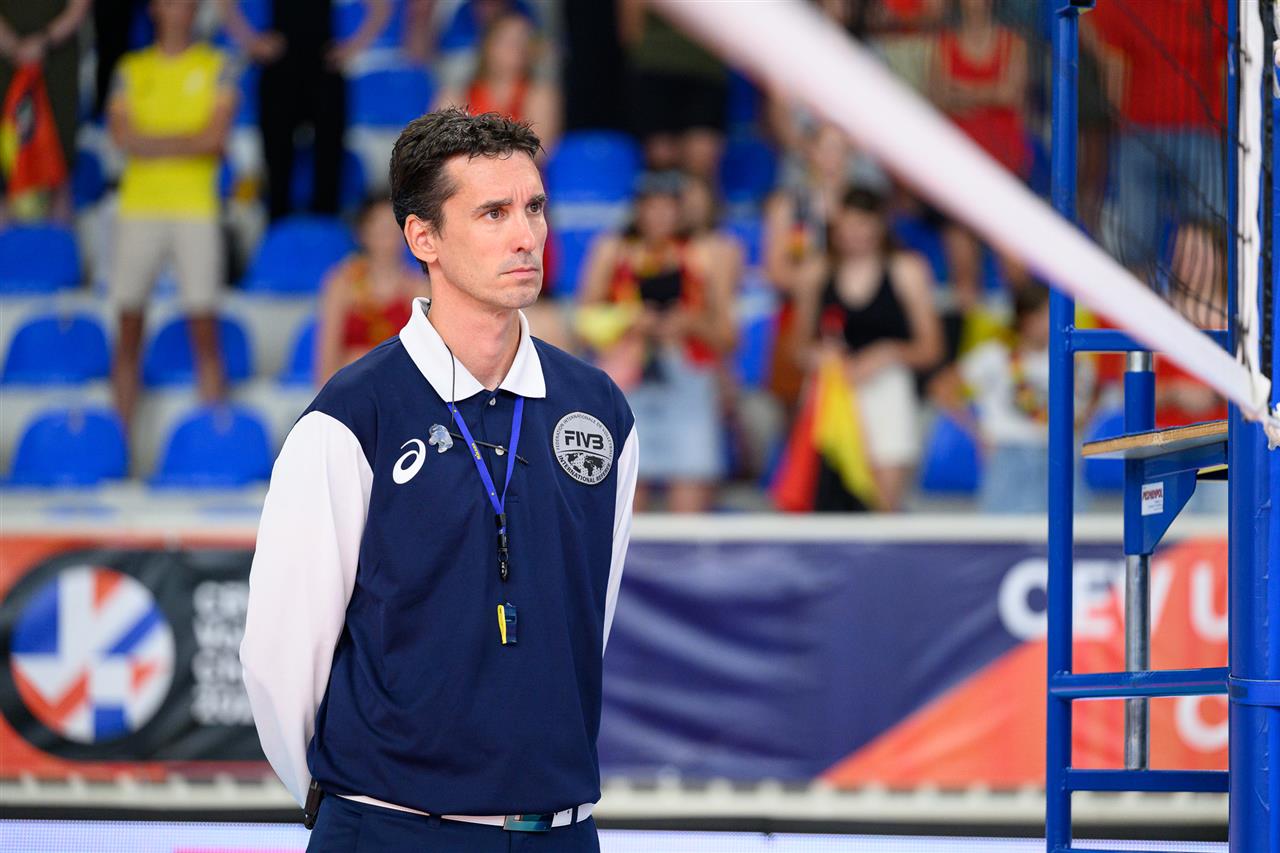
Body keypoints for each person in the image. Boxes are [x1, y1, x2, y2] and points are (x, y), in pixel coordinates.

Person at [241, 108, 637, 853]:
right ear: (423, 238)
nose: (526, 235)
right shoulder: (352, 415)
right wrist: (356, 800)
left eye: (534, 208)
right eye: (493, 213)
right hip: (389, 826)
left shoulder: (600, 411)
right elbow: (281, 656)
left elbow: (591, 615)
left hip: (559, 830)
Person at [106, 0, 238, 436]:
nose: (178, 8)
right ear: (154, 9)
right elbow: (121, 137)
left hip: (195, 209)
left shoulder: (217, 64)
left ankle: (214, 444)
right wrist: (187, 141)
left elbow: (214, 138)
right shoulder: (131, 68)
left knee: (205, 330)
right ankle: (117, 447)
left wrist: (151, 143)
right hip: (138, 209)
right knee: (128, 330)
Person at [577, 170, 735, 513]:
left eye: (668, 207)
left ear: (682, 211)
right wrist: (630, 319)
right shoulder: (613, 251)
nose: (660, 216)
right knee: (625, 500)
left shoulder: (708, 254)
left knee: (690, 501)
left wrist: (689, 322)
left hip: (687, 379)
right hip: (630, 380)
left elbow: (726, 336)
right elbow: (584, 323)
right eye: (652, 207)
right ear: (638, 209)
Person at [799, 187, 943, 511]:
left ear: (881, 225)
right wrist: (820, 356)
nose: (856, 235)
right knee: (826, 502)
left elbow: (931, 349)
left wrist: (887, 353)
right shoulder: (816, 272)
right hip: (832, 390)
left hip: (886, 387)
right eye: (849, 225)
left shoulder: (907, 271)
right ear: (836, 228)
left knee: (882, 505)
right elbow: (796, 346)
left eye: (864, 224)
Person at [219, 0, 391, 221]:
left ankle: (326, 231)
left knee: (328, 166)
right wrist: (251, 42)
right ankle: (278, 231)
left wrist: (352, 47)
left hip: (324, 71)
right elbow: (224, 4)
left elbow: (381, 7)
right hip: (279, 73)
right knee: (277, 169)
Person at [928, 0, 1031, 309]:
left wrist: (962, 93)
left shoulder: (1013, 44)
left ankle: (1021, 330)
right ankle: (972, 334)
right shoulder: (943, 44)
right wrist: (990, 93)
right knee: (963, 268)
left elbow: (1011, 94)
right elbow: (939, 98)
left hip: (1004, 165)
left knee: (1015, 268)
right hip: (958, 168)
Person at [315, 196, 429, 384]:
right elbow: (325, 366)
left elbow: (427, 363)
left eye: (393, 229)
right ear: (362, 232)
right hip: (349, 391)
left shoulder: (420, 287)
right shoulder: (341, 284)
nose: (387, 238)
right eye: (380, 229)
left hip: (400, 390)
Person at [0, 0, 91, 219]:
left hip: (56, 59)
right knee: (4, 160)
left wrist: (44, 41)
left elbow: (79, 9)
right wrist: (12, 45)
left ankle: (59, 236)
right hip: (5, 57)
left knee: (59, 158)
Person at [435, 11, 560, 151]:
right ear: (488, 45)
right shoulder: (457, 94)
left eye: (524, 40)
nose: (517, 47)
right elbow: (441, 144)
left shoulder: (540, 94)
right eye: (508, 40)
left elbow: (539, 150)